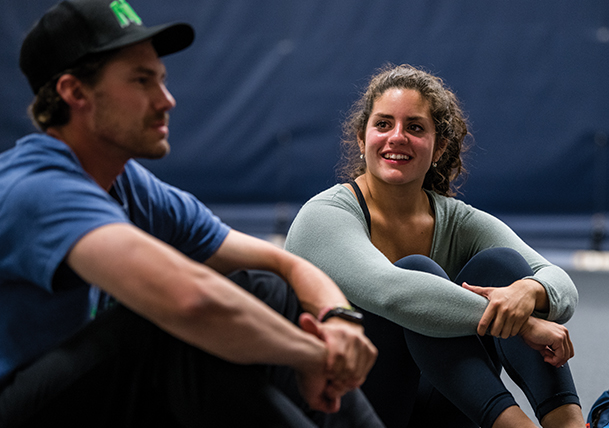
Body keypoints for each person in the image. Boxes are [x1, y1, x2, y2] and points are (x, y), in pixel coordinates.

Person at [0, 1, 382, 426]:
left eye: (162, 80)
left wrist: (339, 322)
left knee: (262, 289)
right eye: (143, 81)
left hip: (100, 395)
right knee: (164, 327)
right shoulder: (35, 188)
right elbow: (191, 300)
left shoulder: (127, 182)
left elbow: (282, 264)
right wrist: (313, 355)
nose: (167, 100)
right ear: (75, 93)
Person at [285, 64, 585, 428]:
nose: (397, 137)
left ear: (439, 147)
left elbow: (561, 286)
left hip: (432, 411)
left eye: (414, 127)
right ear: (362, 141)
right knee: (417, 274)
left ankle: (568, 424)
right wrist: (522, 324)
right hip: (338, 411)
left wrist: (529, 291)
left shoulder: (457, 220)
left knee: (503, 267)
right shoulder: (323, 217)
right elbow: (394, 292)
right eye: (383, 125)